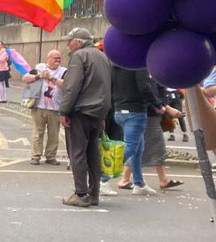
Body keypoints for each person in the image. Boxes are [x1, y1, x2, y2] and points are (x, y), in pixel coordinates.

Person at [58, 27, 112, 207]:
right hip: (98, 111)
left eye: (70, 40)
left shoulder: (79, 56)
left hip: (81, 110)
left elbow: (71, 86)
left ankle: (81, 193)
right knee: (92, 154)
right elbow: (107, 86)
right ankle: (94, 192)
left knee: (77, 152)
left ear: (79, 42)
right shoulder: (103, 56)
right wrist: (103, 115)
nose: (67, 44)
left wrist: (64, 111)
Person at [127, 78, 184, 193]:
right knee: (144, 147)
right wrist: (164, 107)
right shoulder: (146, 71)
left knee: (140, 147)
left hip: (150, 112)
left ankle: (160, 179)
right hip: (150, 113)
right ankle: (111, 177)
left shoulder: (148, 71)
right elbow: (148, 90)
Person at [110, 64, 158, 195]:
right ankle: (101, 179)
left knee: (137, 148)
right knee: (131, 147)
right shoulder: (138, 66)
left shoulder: (115, 66)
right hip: (135, 111)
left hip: (119, 110)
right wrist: (157, 103)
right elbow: (144, 87)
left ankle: (139, 183)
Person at [23, 49, 66, 166]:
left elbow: (66, 84)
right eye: (55, 58)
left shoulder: (63, 71)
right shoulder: (40, 67)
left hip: (55, 107)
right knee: (38, 132)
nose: (58, 60)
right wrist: (39, 76)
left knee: (54, 134)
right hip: (39, 106)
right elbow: (25, 78)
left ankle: (51, 156)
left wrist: (51, 77)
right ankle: (35, 156)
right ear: (48, 59)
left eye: (59, 58)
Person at [0, 39, 11, 103]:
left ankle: (2, 98)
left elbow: (2, 60)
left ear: (2, 45)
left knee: (0, 84)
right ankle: (2, 98)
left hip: (3, 70)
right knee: (1, 84)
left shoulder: (4, 52)